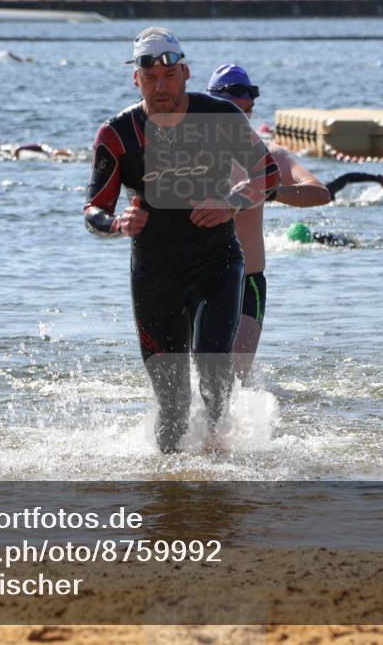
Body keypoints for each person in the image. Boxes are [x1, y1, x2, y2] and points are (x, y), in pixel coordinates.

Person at [83, 29, 279, 453]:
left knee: (213, 372)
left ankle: (218, 468)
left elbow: (268, 173)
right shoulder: (117, 134)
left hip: (217, 264)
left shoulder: (221, 118)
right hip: (154, 274)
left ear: (186, 73)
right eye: (150, 78)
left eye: (169, 76)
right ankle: (169, 488)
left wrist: (230, 203)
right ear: (136, 81)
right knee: (171, 404)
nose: (161, 87)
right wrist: (118, 224)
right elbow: (93, 211)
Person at [201, 64, 383, 381]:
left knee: (235, 377)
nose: (241, 120)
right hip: (201, 281)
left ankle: (239, 426)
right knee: (200, 376)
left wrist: (270, 191)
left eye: (247, 111)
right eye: (233, 112)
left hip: (249, 282)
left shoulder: (270, 154)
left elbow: (319, 194)